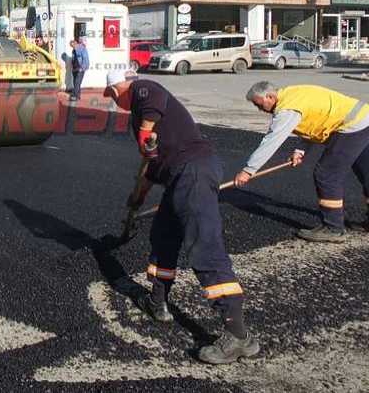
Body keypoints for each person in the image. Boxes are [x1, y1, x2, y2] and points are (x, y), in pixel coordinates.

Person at [104, 70, 258, 364]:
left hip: (193, 171)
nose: (112, 102)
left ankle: (238, 334)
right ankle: (157, 302)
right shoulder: (138, 118)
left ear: (119, 87)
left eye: (112, 95)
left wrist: (146, 133)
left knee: (204, 247)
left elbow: (151, 98)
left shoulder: (143, 91)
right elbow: (149, 167)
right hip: (179, 178)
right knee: (163, 237)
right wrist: (137, 199)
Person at [235, 82, 369, 242]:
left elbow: (272, 141)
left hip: (352, 126)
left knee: (326, 174)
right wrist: (300, 150)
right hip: (363, 118)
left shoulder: (287, 109)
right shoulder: (292, 94)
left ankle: (333, 228)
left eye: (260, 104)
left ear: (270, 96)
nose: (260, 109)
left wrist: (248, 170)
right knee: (366, 170)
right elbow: (315, 120)